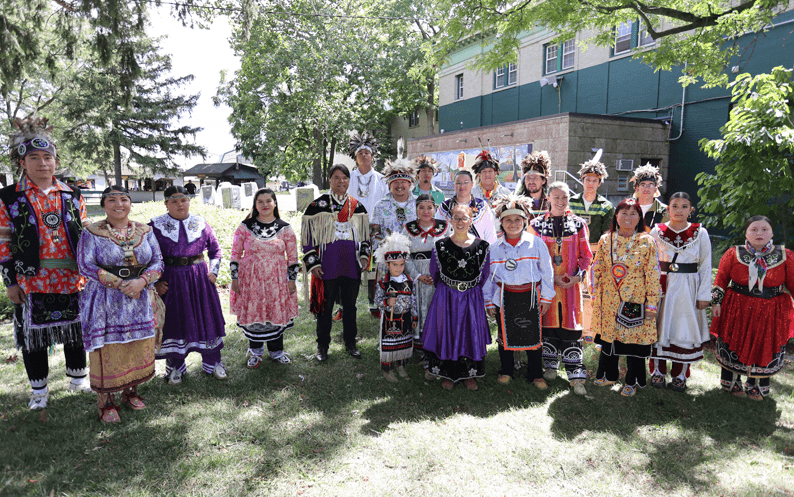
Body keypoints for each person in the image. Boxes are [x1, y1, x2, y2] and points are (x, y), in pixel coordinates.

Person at [0, 116, 92, 410]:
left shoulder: (72, 193)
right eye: (34, 158)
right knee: (33, 336)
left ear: (55, 161)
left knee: (76, 330)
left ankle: (78, 379)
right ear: (22, 162)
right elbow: (3, 242)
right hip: (31, 278)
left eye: (48, 157)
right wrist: (10, 282)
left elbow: (87, 235)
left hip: (72, 277)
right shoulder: (9, 197)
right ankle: (39, 390)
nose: (43, 163)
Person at [77, 186, 164, 422]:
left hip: (140, 297)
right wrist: (120, 284)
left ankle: (131, 392)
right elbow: (85, 265)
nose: (119, 204)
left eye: (124, 199)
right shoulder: (92, 232)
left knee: (136, 344)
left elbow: (158, 260)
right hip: (106, 299)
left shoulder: (146, 231)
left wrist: (142, 281)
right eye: (112, 200)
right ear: (104, 205)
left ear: (130, 203)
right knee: (108, 347)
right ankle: (106, 402)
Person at [710, 215, 794, 400]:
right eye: (754, 229)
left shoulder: (785, 255)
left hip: (771, 311)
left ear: (772, 232)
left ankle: (757, 385)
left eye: (764, 229)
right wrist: (716, 302)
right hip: (737, 308)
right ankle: (732, 382)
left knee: (764, 344)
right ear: (746, 233)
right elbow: (722, 279)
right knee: (734, 341)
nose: (759, 233)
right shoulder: (734, 253)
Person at [150, 186, 226, 383]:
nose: (179, 204)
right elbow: (145, 257)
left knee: (206, 319)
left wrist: (214, 271)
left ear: (189, 201)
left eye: (183, 200)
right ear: (166, 203)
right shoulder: (154, 226)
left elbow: (215, 251)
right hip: (171, 281)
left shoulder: (201, 223)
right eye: (173, 201)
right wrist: (155, 283)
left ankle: (213, 363)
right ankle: (175, 367)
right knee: (174, 322)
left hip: (199, 280)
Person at [591, 198, 661, 397]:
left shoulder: (646, 241)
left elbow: (653, 274)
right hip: (609, 299)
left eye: (633, 213)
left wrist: (652, 304)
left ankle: (632, 380)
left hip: (634, 300)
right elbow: (598, 268)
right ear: (616, 216)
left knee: (633, 341)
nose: (628, 218)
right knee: (609, 338)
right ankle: (609, 374)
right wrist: (596, 293)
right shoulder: (607, 239)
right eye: (623, 213)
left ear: (640, 217)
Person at [484, 194, 555, 388]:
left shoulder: (536, 243)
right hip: (504, 297)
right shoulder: (494, 248)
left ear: (525, 221)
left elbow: (547, 272)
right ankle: (506, 370)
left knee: (533, 335)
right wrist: (488, 301)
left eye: (517, 220)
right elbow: (488, 278)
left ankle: (535, 373)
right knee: (504, 335)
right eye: (508, 220)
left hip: (531, 296)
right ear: (501, 222)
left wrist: (547, 297)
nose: (513, 224)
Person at [302, 164, 371, 361]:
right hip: (326, 268)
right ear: (330, 180)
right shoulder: (317, 206)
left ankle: (351, 343)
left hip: (351, 267)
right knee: (325, 308)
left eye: (345, 178)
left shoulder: (357, 206)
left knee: (350, 307)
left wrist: (365, 255)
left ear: (349, 181)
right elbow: (307, 238)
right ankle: (322, 347)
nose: (341, 182)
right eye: (337, 178)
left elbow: (366, 238)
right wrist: (313, 263)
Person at [529, 182, 592, 395]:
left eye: (564, 198)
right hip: (546, 286)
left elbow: (586, 256)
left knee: (571, 328)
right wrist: (549, 278)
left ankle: (576, 375)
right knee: (548, 325)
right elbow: (532, 257)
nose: (560, 202)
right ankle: (550, 367)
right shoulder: (536, 225)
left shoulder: (579, 224)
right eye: (556, 197)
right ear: (548, 198)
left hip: (570, 288)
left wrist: (577, 277)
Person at [422, 203, 491, 391]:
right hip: (446, 297)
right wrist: (450, 290)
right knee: (448, 332)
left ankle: (469, 375)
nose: (460, 222)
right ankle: (448, 374)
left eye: (464, 218)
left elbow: (484, 274)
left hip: (471, 298)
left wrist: (468, 290)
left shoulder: (482, 246)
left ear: (471, 220)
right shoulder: (441, 245)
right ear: (450, 220)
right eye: (456, 218)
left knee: (469, 334)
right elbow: (435, 273)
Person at [648, 192, 712, 392]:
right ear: (668, 209)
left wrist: (703, 295)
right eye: (675, 206)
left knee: (683, 328)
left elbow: (705, 265)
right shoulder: (656, 232)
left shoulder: (700, 233)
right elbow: (649, 263)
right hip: (662, 285)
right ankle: (657, 371)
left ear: (691, 210)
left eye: (684, 206)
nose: (679, 210)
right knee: (658, 327)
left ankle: (680, 374)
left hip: (688, 286)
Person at [231, 188, 299, 368]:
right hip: (251, 280)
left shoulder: (285, 228)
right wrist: (234, 278)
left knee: (275, 312)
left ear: (275, 203)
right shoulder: (245, 226)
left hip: (277, 281)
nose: (264, 205)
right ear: (255, 205)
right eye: (260, 201)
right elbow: (235, 253)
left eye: (268, 201)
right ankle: (255, 352)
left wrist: (291, 280)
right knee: (255, 313)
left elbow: (293, 257)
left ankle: (277, 352)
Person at [568, 153, 615, 341]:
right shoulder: (571, 203)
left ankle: (590, 332)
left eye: (594, 180)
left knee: (592, 293)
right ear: (582, 180)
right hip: (573, 254)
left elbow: (607, 235)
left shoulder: (606, 206)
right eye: (587, 179)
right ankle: (573, 328)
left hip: (595, 255)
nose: (590, 183)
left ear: (600, 182)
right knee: (574, 290)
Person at [402, 194, 449, 353]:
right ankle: (418, 346)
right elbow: (404, 255)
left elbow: (451, 253)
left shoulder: (445, 227)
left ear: (435, 209)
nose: (425, 211)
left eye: (429, 207)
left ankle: (436, 344)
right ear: (415, 209)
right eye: (421, 207)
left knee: (436, 309)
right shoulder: (408, 228)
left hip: (439, 278)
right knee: (418, 307)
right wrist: (417, 275)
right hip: (417, 277)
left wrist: (439, 275)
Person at [346, 131, 387, 316]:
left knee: (374, 265)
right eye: (360, 152)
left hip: (375, 229)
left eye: (367, 152)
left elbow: (386, 203)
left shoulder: (382, 179)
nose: (364, 155)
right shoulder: (348, 178)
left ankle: (373, 303)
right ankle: (344, 304)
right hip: (350, 229)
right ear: (355, 158)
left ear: (373, 156)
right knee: (349, 266)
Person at [373, 233, 417, 382]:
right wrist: (386, 303)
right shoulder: (384, 282)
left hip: (405, 317)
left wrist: (415, 317)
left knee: (403, 342)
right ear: (387, 264)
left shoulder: (409, 281)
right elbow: (377, 300)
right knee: (390, 343)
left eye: (401, 264)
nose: (399, 268)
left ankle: (401, 366)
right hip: (389, 319)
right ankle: (387, 369)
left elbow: (414, 300)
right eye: (394, 265)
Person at [435, 166, 497, 245]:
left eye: (466, 182)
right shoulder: (444, 208)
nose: (462, 186)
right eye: (458, 183)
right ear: (453, 185)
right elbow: (438, 235)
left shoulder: (482, 207)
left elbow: (490, 235)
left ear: (472, 184)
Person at [631, 164, 669, 230]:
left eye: (650, 185)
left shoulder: (665, 211)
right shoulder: (627, 207)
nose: (646, 188)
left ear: (655, 189)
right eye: (643, 185)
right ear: (637, 188)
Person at [516, 150, 551, 218]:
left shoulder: (551, 202)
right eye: (528, 177)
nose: (531, 181)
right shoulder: (517, 203)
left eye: (535, 177)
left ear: (543, 180)